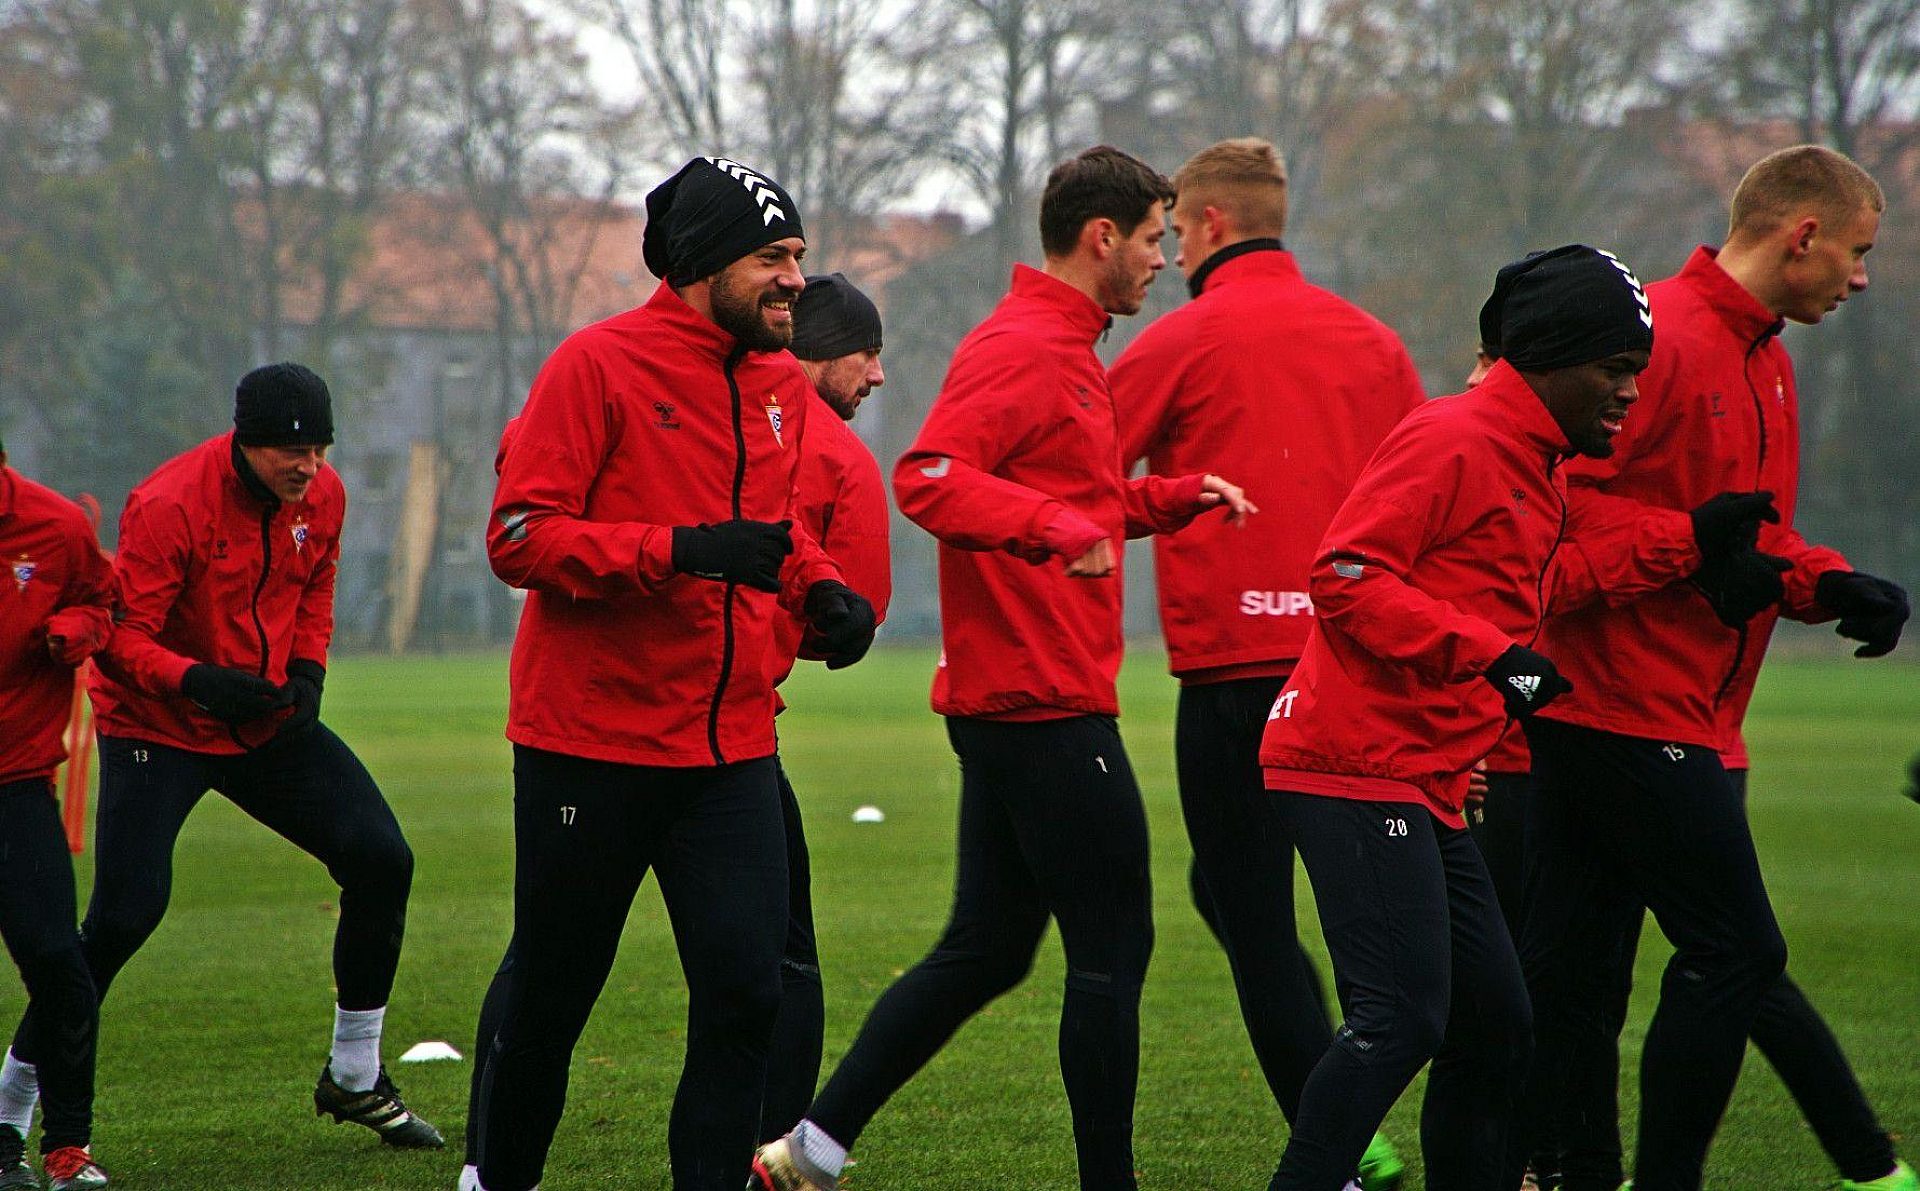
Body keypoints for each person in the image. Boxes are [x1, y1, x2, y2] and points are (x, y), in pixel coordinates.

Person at [753, 144, 1253, 1191]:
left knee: (987, 949)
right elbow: (928, 475)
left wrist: (1173, 495)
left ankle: (809, 1151)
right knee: (1115, 946)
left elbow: (1081, 493)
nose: (1166, 258)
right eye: (1157, 238)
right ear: (1101, 238)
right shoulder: (1025, 344)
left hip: (1025, 694)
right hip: (1039, 701)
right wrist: (1050, 524)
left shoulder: (1075, 345)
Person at [466, 156, 875, 1191]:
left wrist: (822, 590)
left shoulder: (785, 387)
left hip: (731, 749)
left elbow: (775, 537)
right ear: (703, 265)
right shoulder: (595, 366)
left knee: (746, 997)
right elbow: (519, 538)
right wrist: (679, 551)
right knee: (552, 1001)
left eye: (798, 257)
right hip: (587, 750)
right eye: (773, 259)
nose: (795, 280)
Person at [1257, 245, 1693, 1190]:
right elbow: (1343, 574)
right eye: (1616, 370)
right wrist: (1494, 660)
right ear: (1551, 360)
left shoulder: (1538, 463)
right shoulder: (1455, 436)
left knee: (1497, 1020)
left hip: (1419, 775)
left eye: (1637, 373)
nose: (1629, 393)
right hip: (1352, 764)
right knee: (1400, 1018)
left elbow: (1488, 588)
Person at [1522, 145, 1914, 1191]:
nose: (1862, 278)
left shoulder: (1767, 355)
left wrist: (1827, 584)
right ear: (1803, 235)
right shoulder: (1656, 338)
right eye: (1859, 252)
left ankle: (1571, 1174)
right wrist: (1695, 549)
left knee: (1580, 978)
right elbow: (1556, 512)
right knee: (1735, 955)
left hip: (1680, 709)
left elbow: (1744, 531)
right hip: (1619, 706)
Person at [4, 365, 441, 1156]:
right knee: (123, 915)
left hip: (258, 717)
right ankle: (13, 1101)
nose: (308, 467)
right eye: (289, 452)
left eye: (319, 448)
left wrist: (308, 670)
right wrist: (198, 680)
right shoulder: (171, 503)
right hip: (158, 722)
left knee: (382, 856)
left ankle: (354, 1073)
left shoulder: (325, 497)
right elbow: (122, 632)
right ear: (246, 443)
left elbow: (316, 584)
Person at [1107, 136, 1422, 1191]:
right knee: (1374, 917)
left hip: (1239, 680)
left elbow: (1073, 474)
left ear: (1205, 227)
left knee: (1246, 905)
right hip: (1362, 667)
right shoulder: (1376, 347)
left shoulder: (1180, 341)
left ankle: (1337, 1143)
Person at [759, 272, 893, 1142]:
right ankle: (775, 1149)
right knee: (787, 963)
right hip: (729, 737)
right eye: (866, 353)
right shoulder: (841, 458)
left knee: (552, 961)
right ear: (813, 351)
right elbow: (850, 623)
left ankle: (488, 1167)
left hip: (586, 730)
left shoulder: (689, 402)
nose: (877, 376)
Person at [0, 439, 113, 1190]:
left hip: (13, 783)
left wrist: (76, 627)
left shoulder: (56, 525)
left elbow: (105, 601)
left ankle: (65, 1150)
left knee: (60, 967)